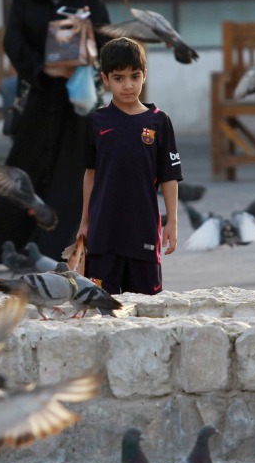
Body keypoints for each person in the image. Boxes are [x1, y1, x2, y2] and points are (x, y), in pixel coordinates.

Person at [0, 0, 110, 263]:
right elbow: (14, 40)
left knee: (72, 173)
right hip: (39, 97)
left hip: (76, 104)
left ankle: (56, 249)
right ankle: (5, 247)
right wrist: (43, 66)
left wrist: (86, 54)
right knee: (26, 168)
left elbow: (106, 37)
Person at [76, 38, 182, 295]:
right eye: (119, 78)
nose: (128, 85)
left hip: (142, 229)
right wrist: (84, 222)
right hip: (103, 232)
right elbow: (90, 174)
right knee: (101, 306)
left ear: (144, 75)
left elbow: (169, 176)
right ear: (105, 78)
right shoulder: (96, 121)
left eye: (134, 76)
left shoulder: (159, 122)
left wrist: (172, 222)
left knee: (147, 307)